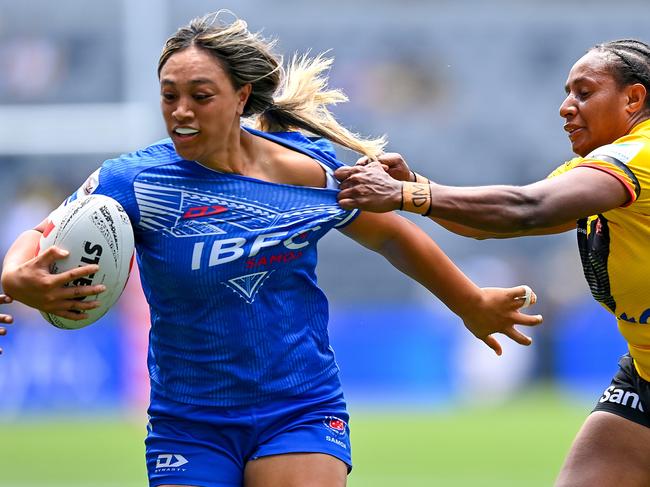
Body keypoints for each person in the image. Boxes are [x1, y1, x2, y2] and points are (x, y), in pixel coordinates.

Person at [0, 12, 542, 487]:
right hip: (189, 418)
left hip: (299, 405)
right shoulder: (135, 180)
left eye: (200, 96)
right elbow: (40, 236)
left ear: (241, 97)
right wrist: (14, 277)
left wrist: (470, 303)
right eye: (170, 96)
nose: (181, 111)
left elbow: (392, 236)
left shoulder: (308, 171)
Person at [335, 38, 650, 487]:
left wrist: (407, 196)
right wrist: (417, 188)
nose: (566, 107)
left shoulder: (640, 153)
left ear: (634, 98)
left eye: (584, 93)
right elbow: (498, 223)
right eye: (567, 93)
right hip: (643, 372)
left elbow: (529, 207)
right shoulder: (601, 171)